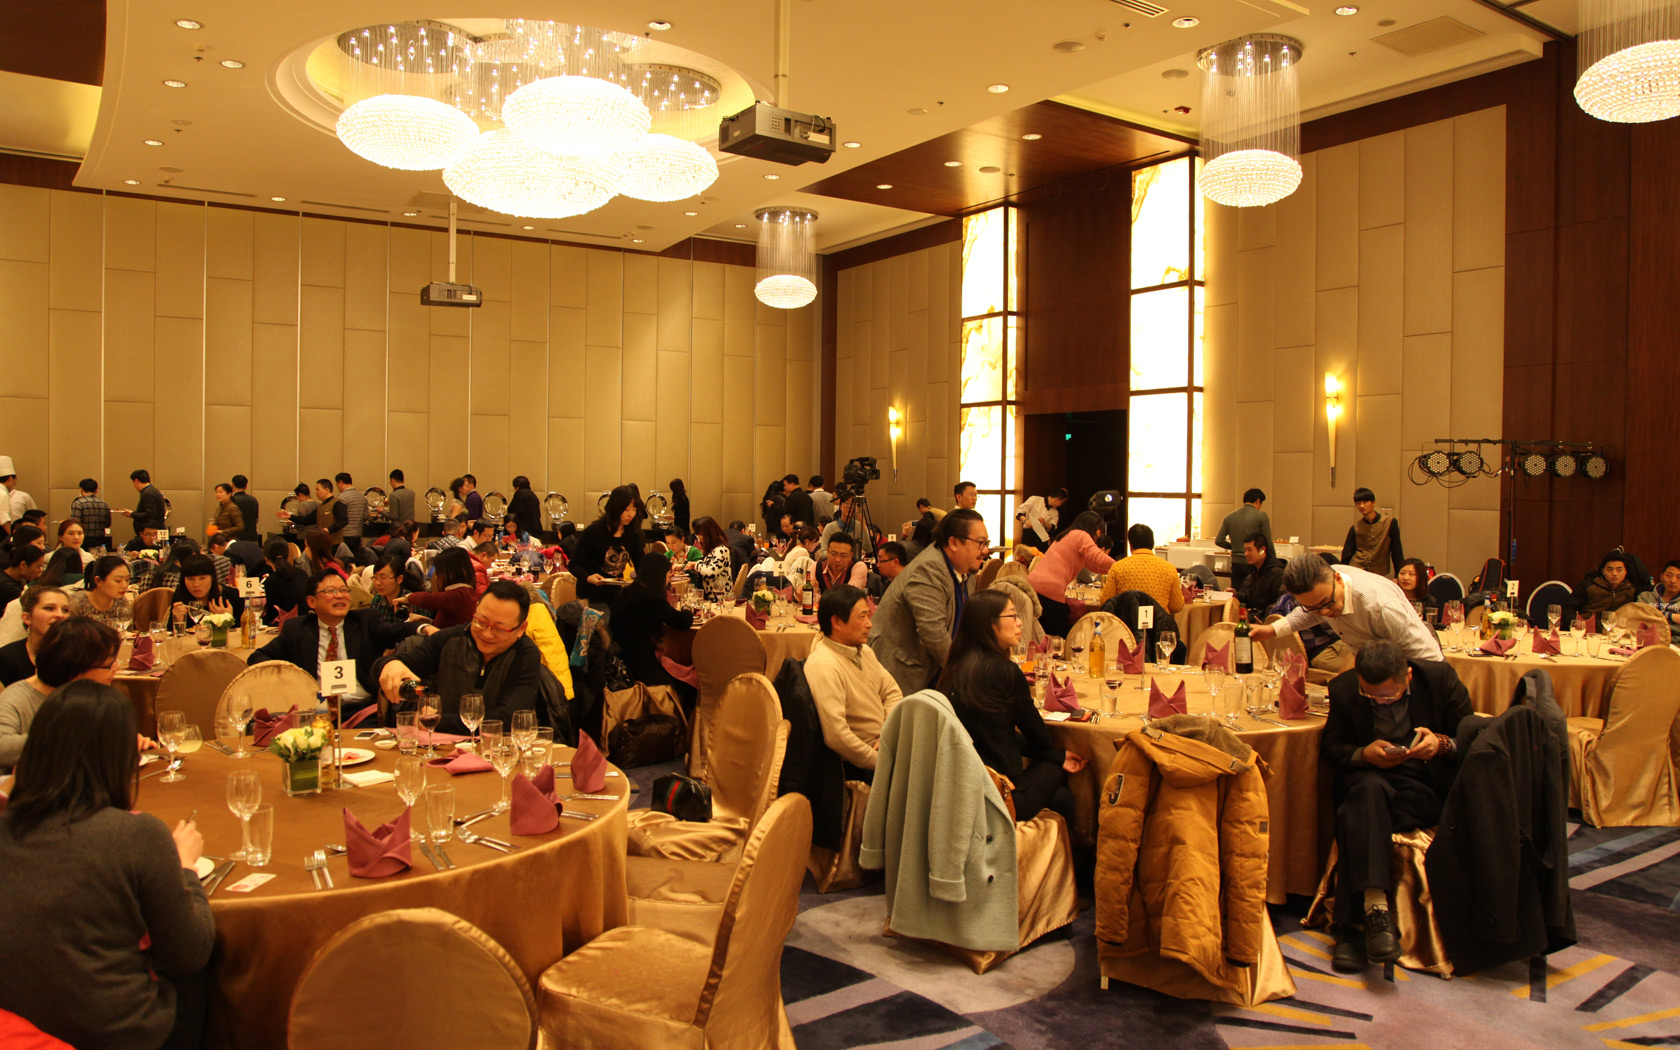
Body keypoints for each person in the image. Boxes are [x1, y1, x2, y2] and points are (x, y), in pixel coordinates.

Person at [0, 680, 214, 1050]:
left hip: (18, 1025)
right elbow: (189, 953)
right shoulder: (136, 834)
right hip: (116, 1034)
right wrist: (185, 869)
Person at [1320, 641, 1471, 972]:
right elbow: (1332, 748)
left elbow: (1472, 736)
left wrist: (1442, 744)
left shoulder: (1440, 680)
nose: (1379, 701)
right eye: (1370, 695)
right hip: (1370, 777)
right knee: (1366, 795)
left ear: (1408, 677)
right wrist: (1363, 753)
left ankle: (1350, 929)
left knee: (1356, 818)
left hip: (1424, 784)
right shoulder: (1344, 688)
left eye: (1388, 696)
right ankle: (1376, 913)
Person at [940, 589, 1083, 822]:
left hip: (962, 790)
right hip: (1001, 795)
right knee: (1054, 768)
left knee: (1061, 798)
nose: (1020, 623)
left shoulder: (953, 669)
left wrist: (1057, 755)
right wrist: (1057, 756)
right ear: (990, 625)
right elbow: (1041, 738)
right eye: (1012, 616)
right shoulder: (1004, 672)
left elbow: (990, 733)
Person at [376, 580, 550, 733]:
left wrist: (438, 721)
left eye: (499, 628)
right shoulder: (451, 639)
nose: (487, 634)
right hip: (443, 749)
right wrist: (389, 665)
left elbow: (508, 718)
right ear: (476, 609)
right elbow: (386, 665)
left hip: (499, 750)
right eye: (481, 621)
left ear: (521, 629)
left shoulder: (525, 654)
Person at [248, 570, 425, 710]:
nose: (340, 596)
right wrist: (293, 678)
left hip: (362, 709)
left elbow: (396, 631)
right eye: (330, 591)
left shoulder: (365, 621)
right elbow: (257, 657)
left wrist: (424, 627)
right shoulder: (297, 629)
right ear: (311, 601)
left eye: (343, 590)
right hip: (315, 710)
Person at [868, 509, 988, 694]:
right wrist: (968, 673)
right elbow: (933, 633)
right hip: (901, 671)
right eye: (980, 543)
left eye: (986, 543)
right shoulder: (929, 568)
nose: (985, 551)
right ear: (954, 543)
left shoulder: (966, 571)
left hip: (934, 669)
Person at [1250, 552, 1443, 662]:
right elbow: (1308, 612)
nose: (1324, 613)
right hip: (1369, 665)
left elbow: (1426, 656)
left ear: (1337, 579)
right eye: (1314, 607)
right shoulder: (1325, 586)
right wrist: (1271, 630)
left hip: (1410, 667)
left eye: (1327, 603)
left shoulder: (1380, 606)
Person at [804, 584, 903, 780]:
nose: (869, 624)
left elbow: (892, 692)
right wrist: (881, 761)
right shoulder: (824, 665)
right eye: (862, 617)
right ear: (837, 622)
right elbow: (837, 736)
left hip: (885, 743)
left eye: (868, 615)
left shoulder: (864, 652)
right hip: (858, 764)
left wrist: (888, 733)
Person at [0, 618, 126, 770]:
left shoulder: (90, 695)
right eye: (109, 664)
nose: (116, 668)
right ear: (77, 668)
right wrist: (71, 737)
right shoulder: (18, 698)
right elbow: (2, 747)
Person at [610, 551, 695, 688]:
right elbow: (682, 623)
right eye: (668, 575)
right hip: (640, 664)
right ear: (659, 575)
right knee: (688, 684)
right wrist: (687, 609)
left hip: (619, 657)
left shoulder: (625, 592)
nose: (669, 579)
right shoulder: (652, 598)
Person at [1027, 511, 1116, 636]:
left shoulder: (1068, 535)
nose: (1098, 536)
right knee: (1062, 634)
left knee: (1042, 634)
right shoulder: (1082, 535)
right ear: (1093, 527)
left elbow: (1091, 564)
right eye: (1099, 532)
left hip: (1034, 586)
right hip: (1049, 588)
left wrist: (1112, 570)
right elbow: (1097, 557)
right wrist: (1119, 566)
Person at [573, 486, 644, 605]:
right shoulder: (594, 531)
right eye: (627, 510)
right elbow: (574, 564)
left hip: (616, 594)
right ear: (616, 508)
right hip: (591, 595)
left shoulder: (633, 534)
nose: (631, 514)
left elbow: (641, 565)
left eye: (634, 510)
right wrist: (588, 577)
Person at [1097, 524, 1184, 615]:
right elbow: (1177, 606)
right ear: (1152, 544)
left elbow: (1105, 602)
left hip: (1125, 622)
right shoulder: (1169, 569)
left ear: (1130, 544)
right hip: (1158, 622)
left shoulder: (1118, 568)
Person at [0, 586, 70, 686]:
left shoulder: (77, 654)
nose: (60, 615)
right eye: (49, 608)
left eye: (65, 610)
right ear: (27, 618)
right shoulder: (6, 658)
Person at [398, 546, 478, 629]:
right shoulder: (466, 593)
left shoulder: (459, 595)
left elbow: (426, 599)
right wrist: (428, 621)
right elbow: (449, 625)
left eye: (439, 572)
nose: (436, 577)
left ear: (450, 572)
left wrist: (408, 598)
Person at [1215, 488, 1272, 595]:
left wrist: (1234, 546)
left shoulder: (1229, 517)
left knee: (1236, 594)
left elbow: (1219, 540)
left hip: (1236, 563)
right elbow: (1267, 542)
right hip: (1254, 563)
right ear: (1258, 501)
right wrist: (1273, 562)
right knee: (1253, 594)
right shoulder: (1262, 517)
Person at [1341, 488, 1404, 578]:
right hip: (1357, 569)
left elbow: (1397, 551)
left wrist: (1398, 575)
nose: (1362, 506)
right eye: (1358, 503)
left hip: (1378, 572)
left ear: (1373, 502)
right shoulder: (1356, 527)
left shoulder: (1389, 523)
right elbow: (1347, 554)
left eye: (1365, 502)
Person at [68, 556, 132, 629]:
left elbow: (127, 631)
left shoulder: (121, 601)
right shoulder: (76, 604)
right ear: (98, 581)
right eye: (118, 580)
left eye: (127, 579)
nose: (124, 585)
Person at [1575, 550, 1638, 617]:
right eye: (1610, 570)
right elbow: (1570, 609)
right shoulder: (1587, 587)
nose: (1614, 574)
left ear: (1625, 571)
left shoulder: (1631, 589)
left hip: (1616, 623)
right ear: (1603, 571)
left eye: (1619, 570)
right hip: (1588, 622)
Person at [259, 539, 308, 624]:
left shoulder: (272, 580)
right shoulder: (301, 573)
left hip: (287, 626)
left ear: (266, 559)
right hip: (307, 622)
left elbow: (272, 615)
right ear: (287, 555)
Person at [1238, 534, 1287, 617]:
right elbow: (1249, 599)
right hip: (1253, 616)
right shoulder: (1252, 573)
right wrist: (1236, 595)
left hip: (1268, 620)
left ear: (1262, 550)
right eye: (1245, 550)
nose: (1246, 554)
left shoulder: (1277, 573)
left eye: (1249, 550)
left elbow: (1280, 604)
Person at [690, 517, 736, 602]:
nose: (700, 538)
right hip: (710, 598)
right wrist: (694, 567)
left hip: (721, 599)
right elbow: (705, 569)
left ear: (710, 534)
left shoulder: (721, 550)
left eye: (701, 534)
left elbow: (711, 572)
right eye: (698, 535)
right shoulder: (711, 550)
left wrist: (696, 564)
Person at [115, 469, 168, 540]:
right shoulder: (153, 491)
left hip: (150, 534)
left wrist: (132, 514)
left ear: (136, 481)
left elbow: (150, 514)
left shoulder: (148, 493)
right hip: (152, 532)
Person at [1639, 560, 1680, 642]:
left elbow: (1647, 616)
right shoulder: (1646, 597)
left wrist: (1653, 614)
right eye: (1669, 575)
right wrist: (1671, 616)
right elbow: (1638, 618)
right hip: (1647, 642)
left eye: (1679, 577)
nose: (1673, 581)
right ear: (1662, 576)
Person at [0, 545, 45, 617]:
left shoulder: (10, 578)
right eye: (38, 566)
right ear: (23, 565)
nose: (40, 570)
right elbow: (32, 604)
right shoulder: (6, 585)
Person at [70, 478, 112, 552]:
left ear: (81, 489)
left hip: (84, 540)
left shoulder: (78, 503)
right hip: (101, 540)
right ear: (96, 490)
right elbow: (108, 524)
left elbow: (75, 523)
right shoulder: (104, 504)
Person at [783, 524, 822, 592]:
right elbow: (802, 574)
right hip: (790, 583)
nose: (816, 545)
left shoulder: (798, 548)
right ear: (807, 541)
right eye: (815, 542)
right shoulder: (802, 551)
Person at [334, 473, 367, 553]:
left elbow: (339, 517)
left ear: (341, 482)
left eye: (337, 484)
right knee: (356, 557)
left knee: (344, 557)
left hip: (345, 535)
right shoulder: (362, 497)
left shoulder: (342, 497)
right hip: (358, 534)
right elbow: (366, 516)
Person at [0, 459, 37, 529]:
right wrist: (12, 534)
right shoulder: (2, 493)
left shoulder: (23, 496)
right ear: (11, 478)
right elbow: (3, 519)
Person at [507, 475, 542, 540]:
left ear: (517, 487)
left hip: (525, 529)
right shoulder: (532, 494)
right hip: (536, 528)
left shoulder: (519, 493)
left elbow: (518, 512)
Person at [229, 474, 259, 542]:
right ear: (246, 487)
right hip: (251, 538)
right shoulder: (253, 500)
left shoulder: (230, 501)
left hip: (235, 538)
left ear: (232, 485)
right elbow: (256, 519)